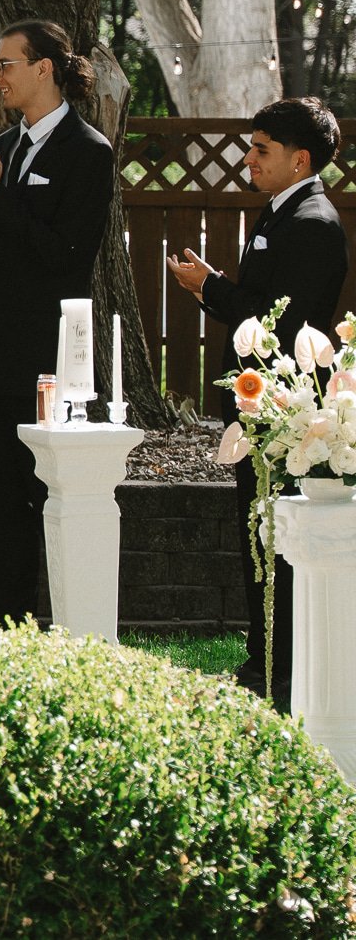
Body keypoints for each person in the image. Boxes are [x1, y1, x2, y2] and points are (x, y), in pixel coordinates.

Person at [166, 96, 347, 707]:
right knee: (259, 531)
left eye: (262, 150)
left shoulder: (313, 222)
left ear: (300, 160)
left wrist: (210, 287)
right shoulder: (280, 212)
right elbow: (262, 301)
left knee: (276, 536)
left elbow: (288, 322)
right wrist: (215, 287)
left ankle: (282, 669)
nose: (250, 159)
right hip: (262, 411)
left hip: (284, 417)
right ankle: (265, 659)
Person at [0, 19, 114, 623]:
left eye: (5, 64)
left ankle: (63, 620)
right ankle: (5, 622)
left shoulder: (89, 151)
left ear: (45, 68)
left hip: (48, 358)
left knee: (48, 495)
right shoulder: (1, 146)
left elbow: (65, 256)